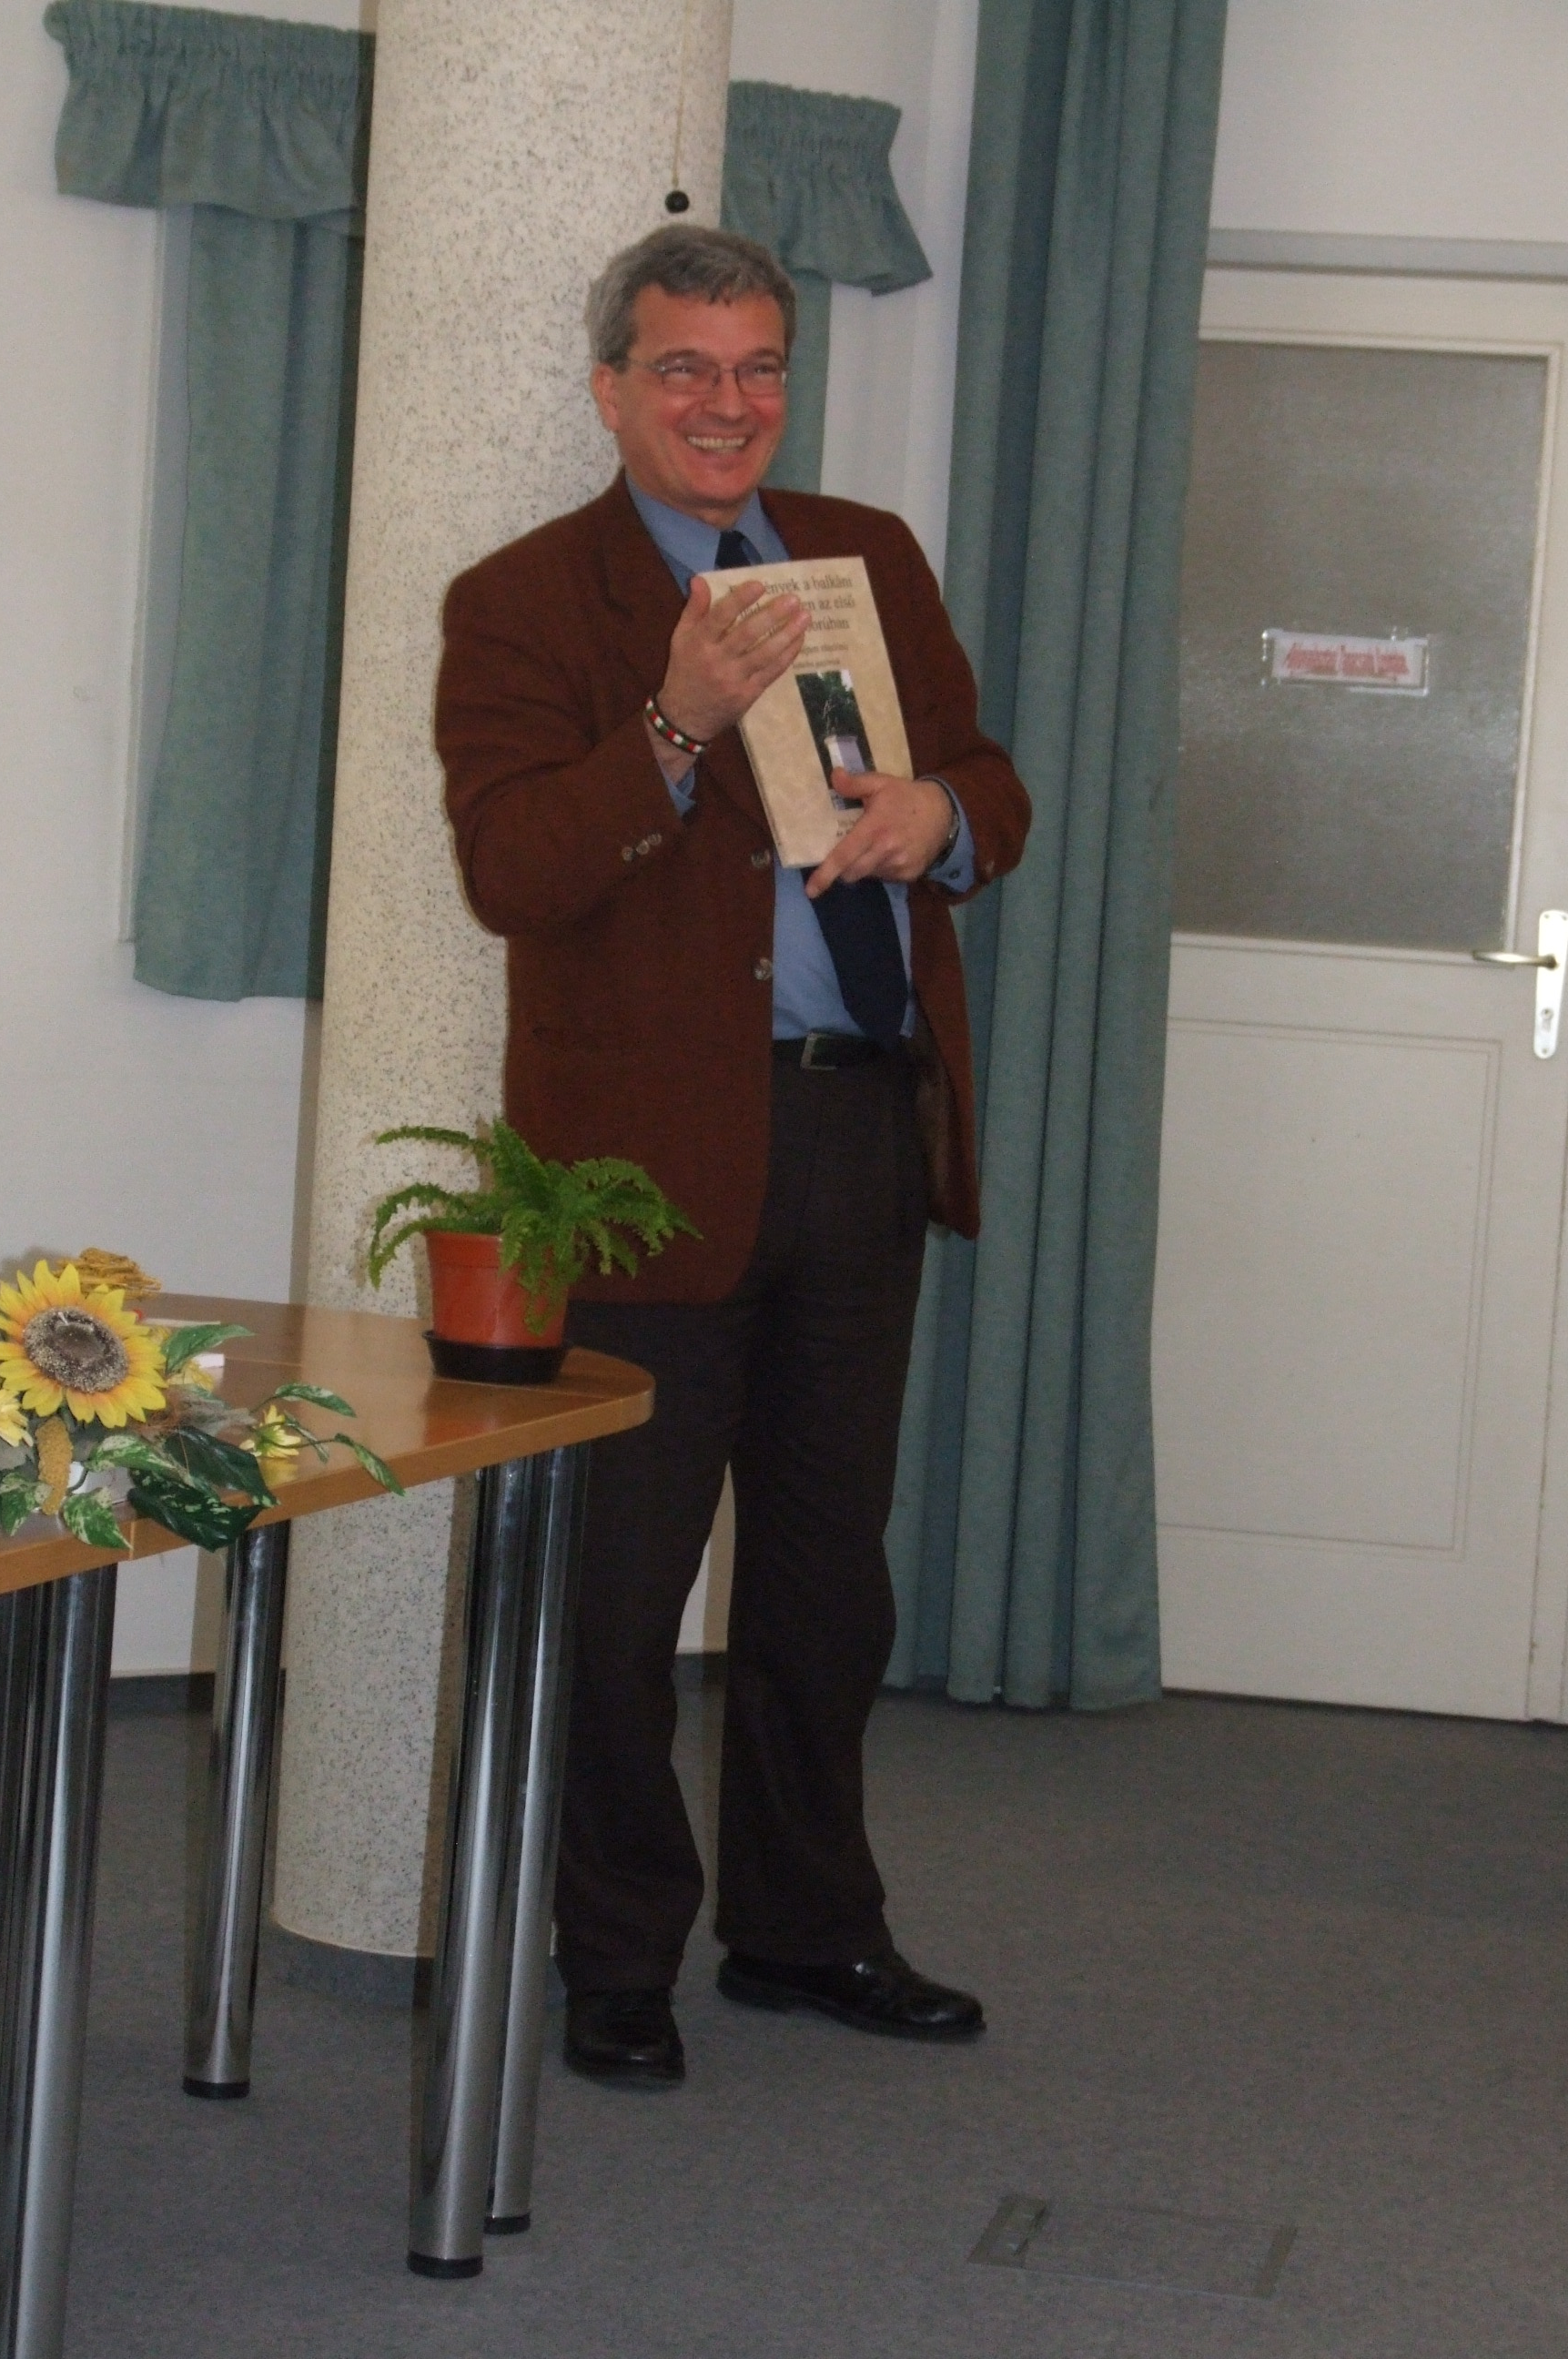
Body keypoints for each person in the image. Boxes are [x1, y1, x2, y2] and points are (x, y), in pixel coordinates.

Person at [436, 225, 1030, 2088]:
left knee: (827, 1584)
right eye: (685, 368)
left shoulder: (870, 561)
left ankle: (806, 1927)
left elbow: (992, 782)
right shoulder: (527, 599)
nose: (727, 403)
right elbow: (514, 871)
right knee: (617, 1596)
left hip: (861, 1127)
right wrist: (679, 716)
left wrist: (941, 819)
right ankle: (616, 1955)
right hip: (640, 1167)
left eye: (759, 366)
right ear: (611, 388)